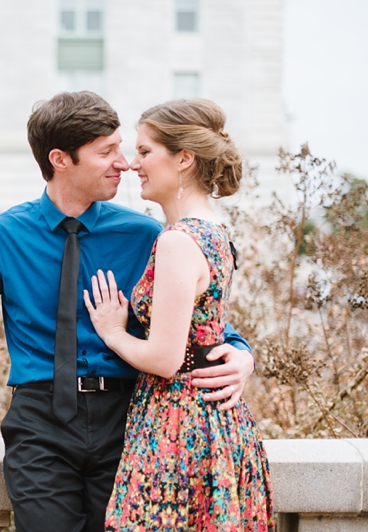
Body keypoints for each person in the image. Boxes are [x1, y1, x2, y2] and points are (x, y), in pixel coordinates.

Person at [0, 91, 256, 532]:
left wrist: (241, 353)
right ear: (60, 159)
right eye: (107, 151)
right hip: (40, 421)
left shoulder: (146, 234)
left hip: (127, 420)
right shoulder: (1, 235)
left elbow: (197, 313)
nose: (125, 163)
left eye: (125, 149)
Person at [83, 99, 274, 530]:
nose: (134, 165)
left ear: (184, 159)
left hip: (178, 423)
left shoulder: (177, 240)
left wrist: (113, 332)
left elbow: (166, 358)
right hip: (215, 422)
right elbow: (206, 331)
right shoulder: (215, 232)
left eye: (146, 152)